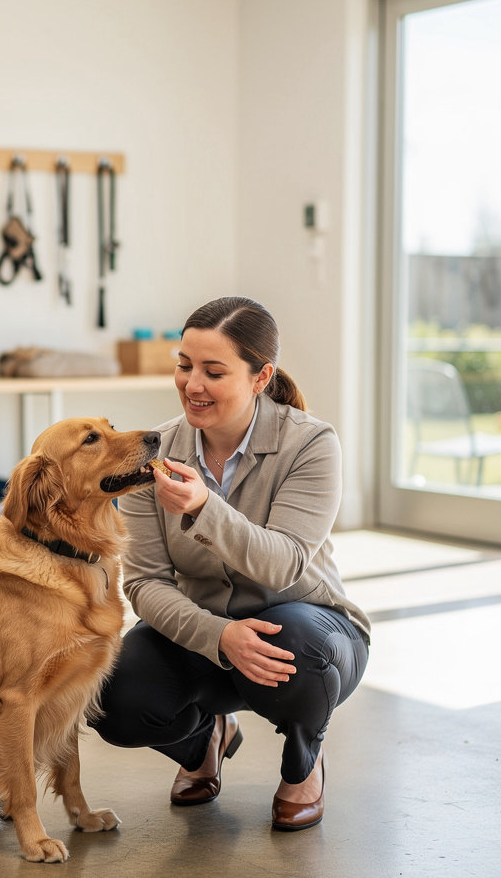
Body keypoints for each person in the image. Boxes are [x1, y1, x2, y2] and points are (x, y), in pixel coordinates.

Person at [93, 296, 370, 830]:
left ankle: (302, 766)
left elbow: (284, 565)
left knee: (294, 643)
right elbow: (146, 583)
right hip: (205, 640)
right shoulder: (154, 454)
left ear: (261, 376)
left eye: (213, 371)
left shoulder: (311, 444)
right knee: (110, 696)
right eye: (184, 365)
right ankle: (203, 742)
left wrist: (203, 508)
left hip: (306, 626)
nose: (192, 384)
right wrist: (219, 635)